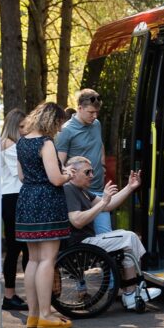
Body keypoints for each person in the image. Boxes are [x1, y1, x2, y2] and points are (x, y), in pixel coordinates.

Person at [63, 156, 161, 310]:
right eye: (87, 172)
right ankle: (131, 293)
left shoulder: (83, 191)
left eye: (92, 172)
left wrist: (129, 187)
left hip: (87, 241)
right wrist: (102, 202)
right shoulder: (69, 189)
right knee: (129, 237)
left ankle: (130, 292)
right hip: (81, 243)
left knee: (127, 243)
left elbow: (109, 205)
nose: (92, 176)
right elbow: (77, 221)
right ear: (73, 173)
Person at [16, 102, 74, 328]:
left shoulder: (22, 142)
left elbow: (21, 177)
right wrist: (67, 174)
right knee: (48, 259)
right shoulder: (45, 143)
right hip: (47, 202)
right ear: (51, 121)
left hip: (27, 199)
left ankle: (32, 314)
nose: (59, 129)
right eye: (59, 124)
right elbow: (55, 179)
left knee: (33, 259)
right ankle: (46, 314)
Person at [56, 89, 110, 234]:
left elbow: (100, 145)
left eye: (96, 112)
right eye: (91, 112)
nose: (94, 116)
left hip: (98, 187)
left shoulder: (97, 124)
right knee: (89, 241)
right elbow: (59, 163)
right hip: (79, 192)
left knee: (105, 234)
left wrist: (103, 165)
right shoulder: (66, 131)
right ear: (80, 108)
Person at [0, 108, 29, 310]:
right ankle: (10, 296)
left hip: (12, 198)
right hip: (14, 198)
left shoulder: (7, 143)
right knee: (19, 248)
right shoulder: (9, 145)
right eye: (21, 127)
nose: (25, 130)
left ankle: (15, 294)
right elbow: (22, 174)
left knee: (19, 248)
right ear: (13, 126)